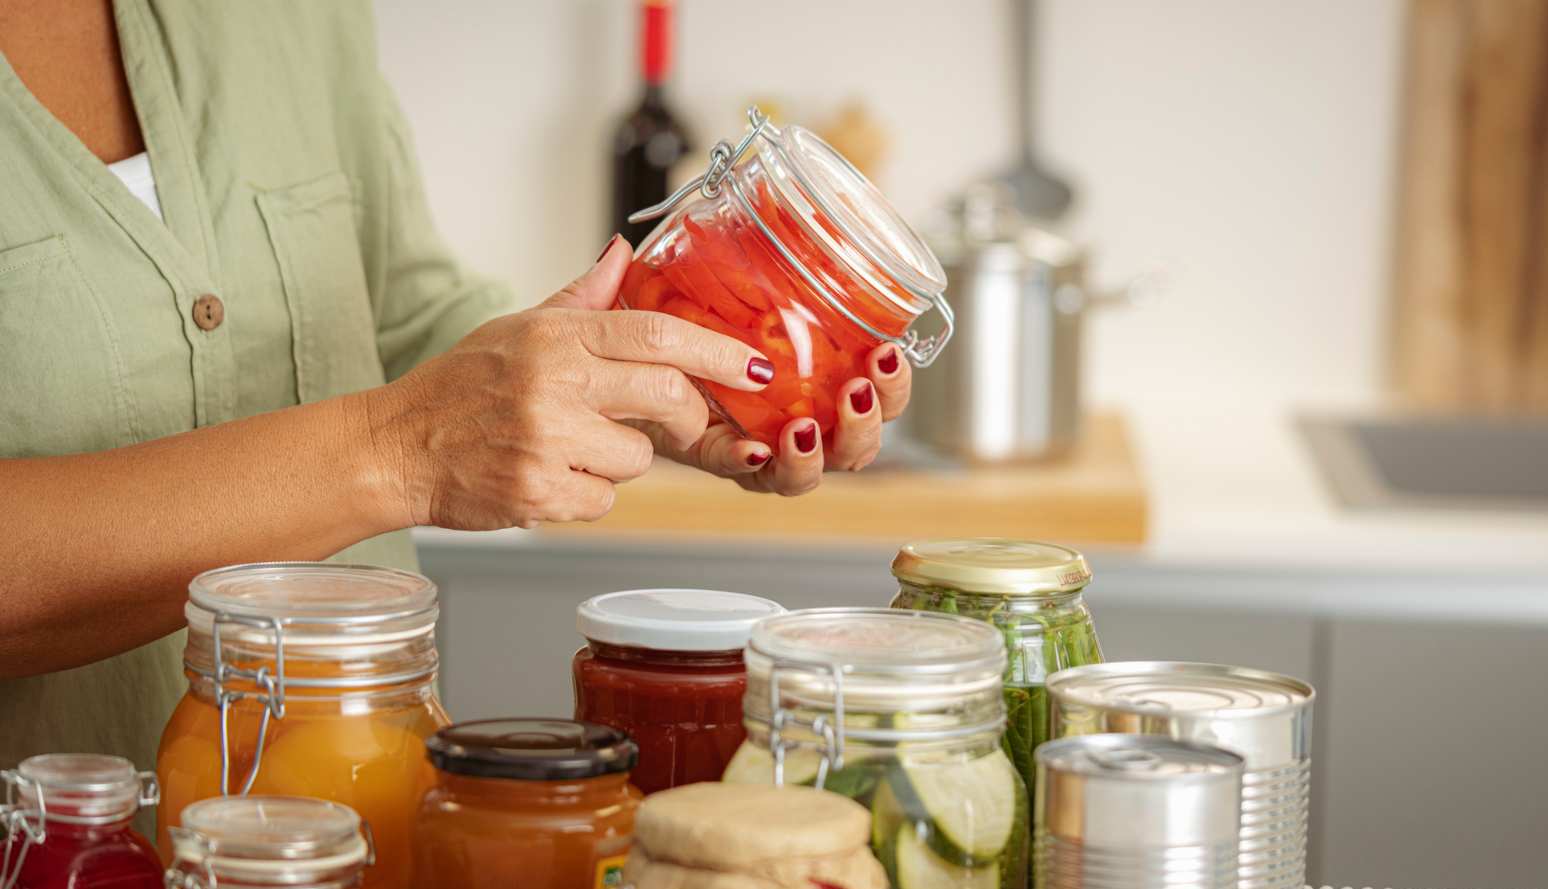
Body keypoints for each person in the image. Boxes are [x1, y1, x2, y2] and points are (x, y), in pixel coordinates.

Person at [0, 0, 913, 774]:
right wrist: (406, 447)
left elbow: (396, 309)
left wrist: (630, 374)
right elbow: (408, 422)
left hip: (370, 795)